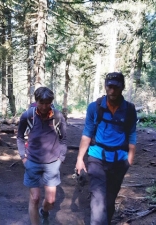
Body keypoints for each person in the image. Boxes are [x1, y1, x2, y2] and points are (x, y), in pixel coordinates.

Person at [75, 72, 137, 225]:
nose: (113, 90)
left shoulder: (129, 109)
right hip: (97, 158)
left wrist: (130, 157)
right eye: (110, 86)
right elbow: (87, 134)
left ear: (122, 87)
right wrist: (79, 159)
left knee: (109, 201)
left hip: (119, 161)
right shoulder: (94, 107)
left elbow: (132, 133)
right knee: (98, 201)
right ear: (105, 87)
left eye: (116, 87)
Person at [17, 87, 67, 225]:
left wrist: (60, 159)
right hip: (32, 161)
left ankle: (44, 212)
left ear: (51, 102)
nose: (44, 106)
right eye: (41, 103)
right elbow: (20, 138)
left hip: (52, 163)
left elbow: (63, 139)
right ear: (36, 101)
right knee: (35, 198)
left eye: (48, 103)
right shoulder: (28, 116)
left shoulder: (57, 117)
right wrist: (23, 158)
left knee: (51, 200)